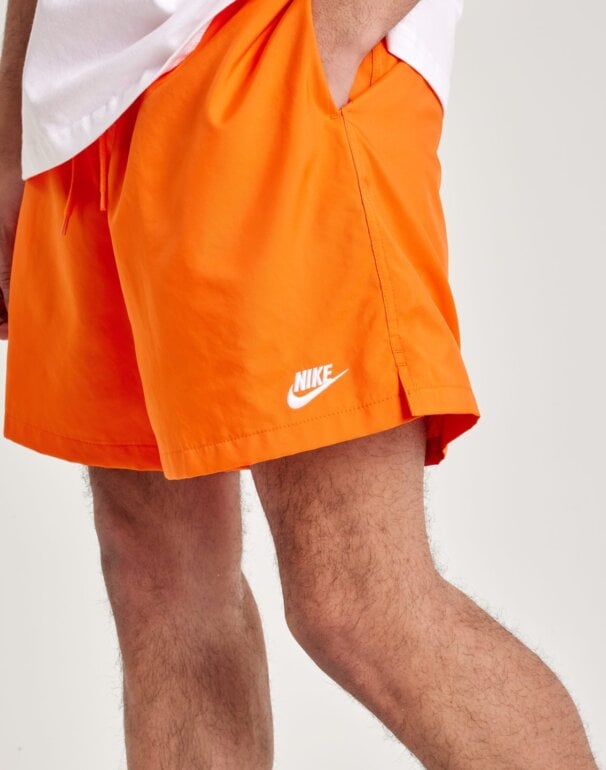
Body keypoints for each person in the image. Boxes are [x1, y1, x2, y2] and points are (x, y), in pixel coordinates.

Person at [0, 0, 599, 767]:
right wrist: (13, 123)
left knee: (358, 603)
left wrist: (330, 38)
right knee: (158, 582)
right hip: (79, 105)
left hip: (265, 48)